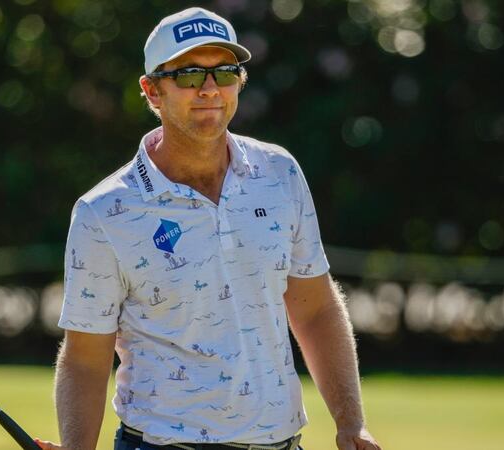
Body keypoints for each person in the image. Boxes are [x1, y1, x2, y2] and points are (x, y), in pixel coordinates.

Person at [37, 7, 382, 450]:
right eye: (188, 75)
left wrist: (351, 422)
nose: (209, 89)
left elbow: (315, 309)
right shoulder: (103, 212)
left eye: (224, 72)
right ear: (152, 90)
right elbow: (85, 359)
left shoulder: (279, 173)